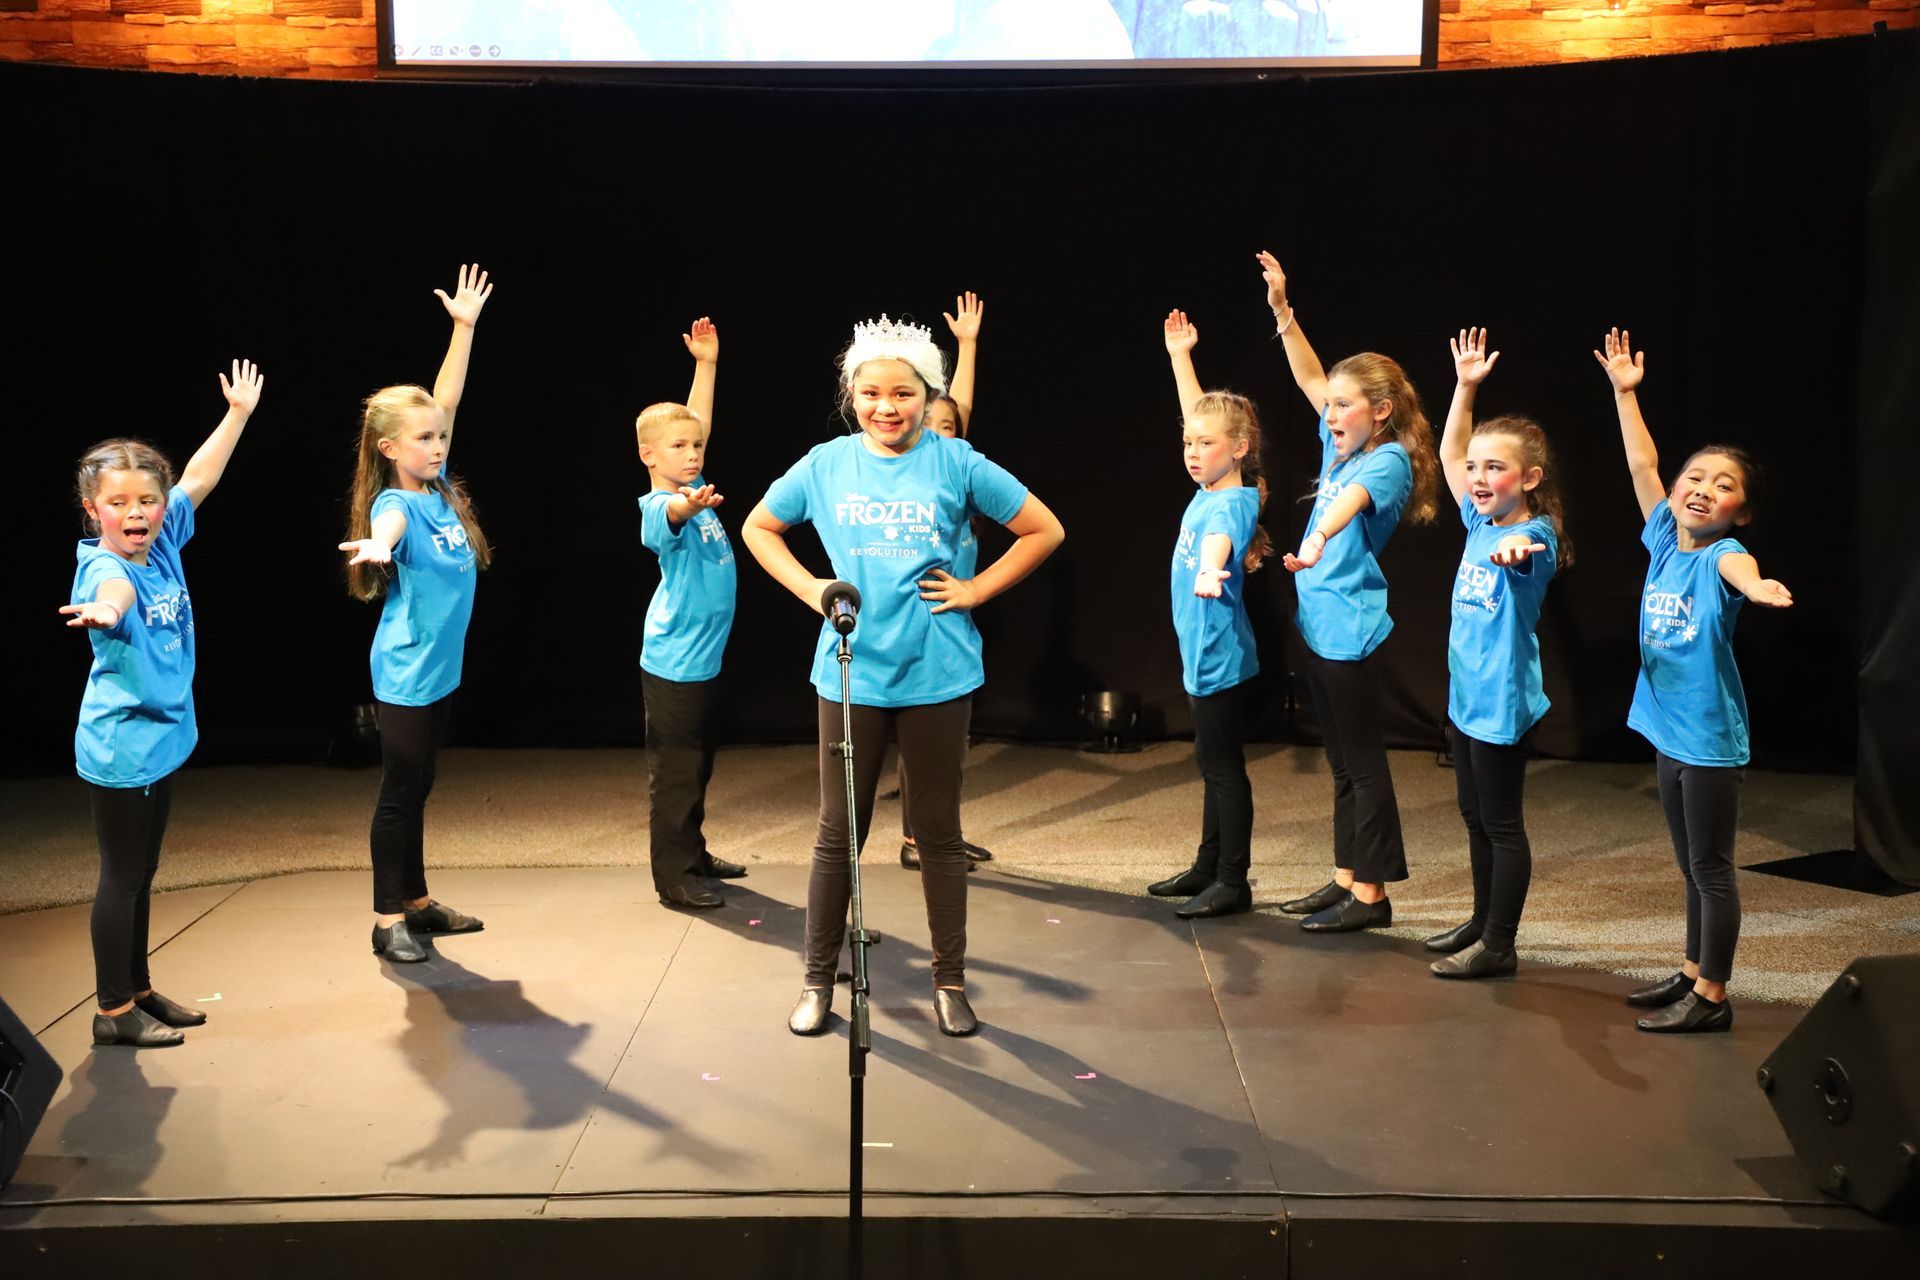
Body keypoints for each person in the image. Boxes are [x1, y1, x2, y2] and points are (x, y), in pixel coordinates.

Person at [741, 314, 1064, 1038]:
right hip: (851, 675)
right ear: (851, 396)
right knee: (837, 835)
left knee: (940, 834)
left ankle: (949, 980)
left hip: (938, 673)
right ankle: (818, 979)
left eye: (903, 394)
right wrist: (812, 590)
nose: (886, 407)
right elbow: (760, 526)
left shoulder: (958, 461)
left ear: (928, 394)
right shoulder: (826, 464)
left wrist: (977, 590)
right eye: (871, 394)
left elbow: (1044, 527)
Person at [64, 360, 265, 1047]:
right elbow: (113, 597)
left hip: (164, 735)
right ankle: (111, 1012)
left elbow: (201, 478)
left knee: (145, 871)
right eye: (117, 503)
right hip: (122, 746)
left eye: (146, 500)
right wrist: (103, 613)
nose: (136, 513)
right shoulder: (106, 567)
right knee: (121, 878)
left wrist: (237, 415)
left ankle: (139, 988)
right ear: (94, 510)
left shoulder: (166, 541)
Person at [1596, 327, 1792, 1033]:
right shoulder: (1663, 537)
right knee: (1688, 864)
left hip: (1708, 738)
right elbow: (1643, 463)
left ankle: (1713, 995)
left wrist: (1761, 584)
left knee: (1711, 868)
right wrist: (1626, 395)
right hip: (1665, 725)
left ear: (1742, 510)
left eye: (1724, 486)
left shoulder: (1725, 554)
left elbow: (1744, 569)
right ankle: (1688, 970)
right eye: (1697, 478)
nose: (1703, 490)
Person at [1257, 250, 1439, 933]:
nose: (1328, 411)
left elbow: (1348, 504)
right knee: (1338, 763)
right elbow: (1308, 374)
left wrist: (1314, 541)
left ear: (1381, 410)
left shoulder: (1387, 461)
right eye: (1329, 405)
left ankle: (1374, 895)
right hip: (1321, 624)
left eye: (1343, 404)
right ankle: (1344, 877)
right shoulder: (1344, 444)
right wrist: (1282, 311)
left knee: (1363, 766)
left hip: (1353, 630)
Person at [339, 264, 496, 965]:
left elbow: (448, 398)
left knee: (423, 784)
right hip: (403, 672)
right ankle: (385, 919)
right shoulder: (398, 504)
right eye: (423, 440)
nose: (436, 446)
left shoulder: (437, 491)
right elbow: (389, 528)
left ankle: (419, 901)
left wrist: (462, 328)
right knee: (400, 792)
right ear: (389, 449)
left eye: (439, 438)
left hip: (439, 670)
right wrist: (377, 548)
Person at [1426, 328, 1568, 979]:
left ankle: (1501, 943)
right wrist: (1466, 386)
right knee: (1473, 816)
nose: (1478, 477)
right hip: (1466, 697)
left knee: (1502, 823)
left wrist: (1515, 553)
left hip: (1504, 701)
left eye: (1496, 467)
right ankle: (1481, 922)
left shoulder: (1532, 533)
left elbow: (1527, 552)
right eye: (1477, 468)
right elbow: (1450, 448)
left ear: (1529, 479)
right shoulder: (1480, 521)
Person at [1144, 309, 1273, 919]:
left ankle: (1232, 879)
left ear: (1239, 449)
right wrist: (1180, 359)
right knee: (1209, 764)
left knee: (1224, 771)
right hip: (1202, 651)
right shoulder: (1212, 485)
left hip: (1218, 657)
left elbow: (1220, 542)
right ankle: (1205, 865)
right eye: (1187, 444)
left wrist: (1207, 568)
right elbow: (1202, 414)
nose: (1193, 453)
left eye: (1206, 446)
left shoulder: (1231, 505)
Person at [635, 316, 748, 910]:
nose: (691, 453)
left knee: (699, 766)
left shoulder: (694, 483)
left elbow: (694, 420)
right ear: (647, 455)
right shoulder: (661, 503)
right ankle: (673, 877)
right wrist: (684, 503)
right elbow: (670, 519)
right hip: (674, 663)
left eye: (697, 447)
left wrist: (705, 364)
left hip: (703, 661)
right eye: (677, 447)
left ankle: (694, 852)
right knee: (675, 774)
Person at [898, 291, 993, 873]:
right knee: (922, 744)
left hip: (954, 621)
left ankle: (939, 834)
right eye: (931, 423)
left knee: (948, 750)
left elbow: (958, 410)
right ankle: (918, 841)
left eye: (950, 426)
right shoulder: (913, 478)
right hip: (919, 624)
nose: (942, 432)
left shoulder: (960, 474)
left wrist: (968, 345)